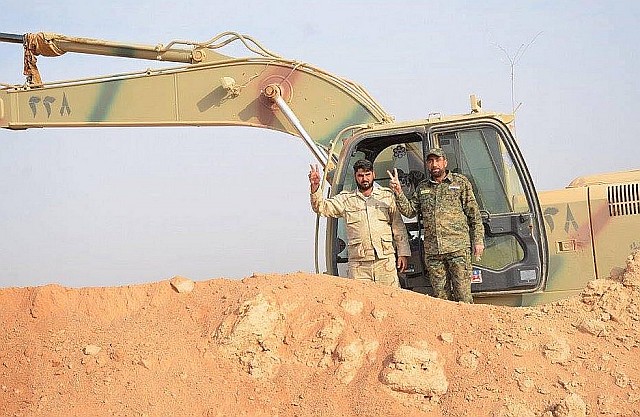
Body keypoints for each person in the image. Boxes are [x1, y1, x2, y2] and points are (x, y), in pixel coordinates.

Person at [387, 148, 484, 303]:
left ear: (445, 162)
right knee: (441, 299)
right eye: (431, 161)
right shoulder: (422, 188)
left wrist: (478, 240)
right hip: (434, 253)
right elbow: (410, 211)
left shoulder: (460, 183)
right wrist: (399, 192)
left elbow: (474, 214)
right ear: (427, 164)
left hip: (458, 249)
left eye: (438, 160)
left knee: (463, 296)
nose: (434, 164)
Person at [309, 159, 410, 287]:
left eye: (368, 174)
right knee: (360, 298)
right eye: (360, 175)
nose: (364, 179)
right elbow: (321, 207)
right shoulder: (346, 199)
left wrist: (403, 253)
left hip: (385, 261)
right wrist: (315, 187)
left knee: (391, 297)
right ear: (355, 177)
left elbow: (398, 226)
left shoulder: (386, 196)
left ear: (374, 174)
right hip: (359, 266)